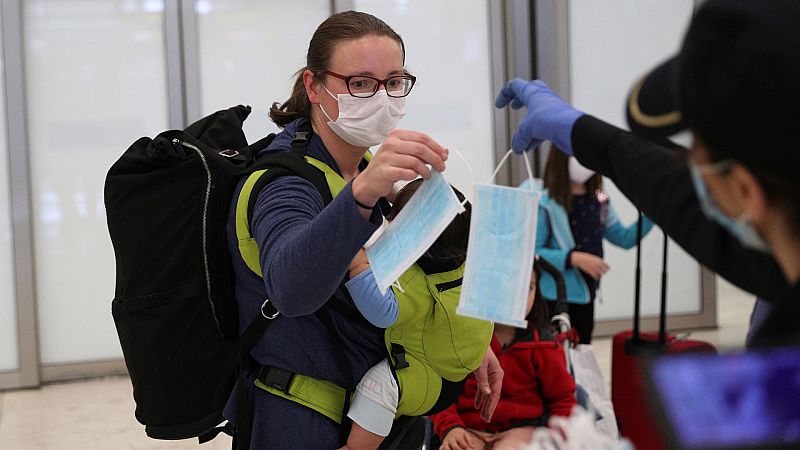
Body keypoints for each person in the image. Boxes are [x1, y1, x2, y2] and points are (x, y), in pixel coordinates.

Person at [223, 11, 502, 449]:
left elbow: (404, 276)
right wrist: (362, 195)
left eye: (393, 81)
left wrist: (459, 336)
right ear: (314, 87)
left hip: (381, 405)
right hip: (303, 416)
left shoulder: (369, 169)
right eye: (360, 83)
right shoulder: (283, 184)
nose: (380, 97)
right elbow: (291, 291)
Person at [494, 0, 798, 347]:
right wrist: (588, 136)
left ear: (746, 192)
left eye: (695, 163)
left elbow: (646, 222)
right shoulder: (780, 272)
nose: (693, 180)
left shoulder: (778, 367)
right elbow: (675, 196)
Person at [341, 179, 494, 450]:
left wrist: (355, 259)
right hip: (454, 366)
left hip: (428, 378)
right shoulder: (465, 261)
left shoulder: (415, 283)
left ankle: (356, 447)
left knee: (379, 386)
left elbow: (382, 311)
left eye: (395, 221)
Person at [429, 263, 577, 450]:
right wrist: (451, 428)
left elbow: (563, 400)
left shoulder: (544, 345)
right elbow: (440, 393)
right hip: (467, 429)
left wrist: (556, 438)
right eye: (510, 287)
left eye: (529, 288)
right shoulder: (463, 340)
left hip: (523, 430)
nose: (519, 298)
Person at [534, 147, 652, 344]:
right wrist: (574, 258)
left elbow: (624, 238)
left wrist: (652, 215)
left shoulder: (601, 201)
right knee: (554, 360)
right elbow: (533, 252)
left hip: (586, 296)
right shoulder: (545, 202)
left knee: (582, 353)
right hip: (552, 297)